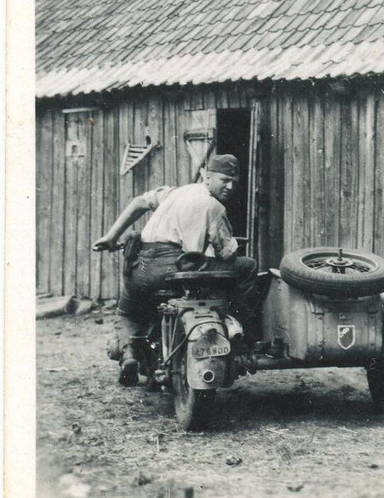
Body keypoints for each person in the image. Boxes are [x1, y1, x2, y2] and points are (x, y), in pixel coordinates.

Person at [92, 154, 259, 386]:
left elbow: (140, 202)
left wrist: (111, 237)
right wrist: (229, 246)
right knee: (248, 266)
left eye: (234, 182)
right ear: (207, 176)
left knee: (128, 311)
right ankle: (241, 335)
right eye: (224, 180)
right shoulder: (214, 207)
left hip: (139, 265)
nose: (230, 187)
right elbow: (226, 254)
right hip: (172, 268)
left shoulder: (175, 192)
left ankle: (128, 353)